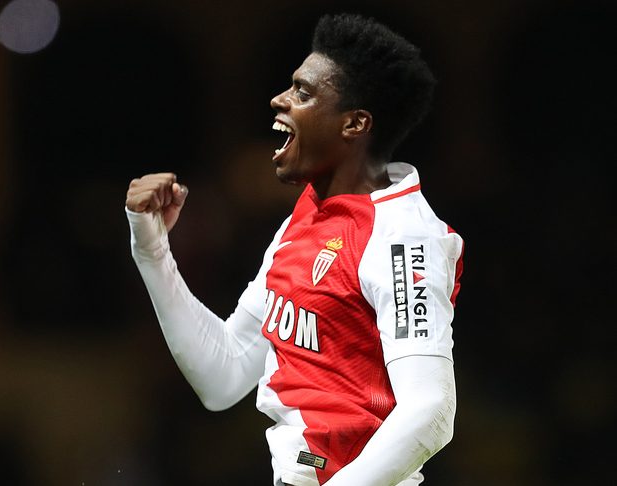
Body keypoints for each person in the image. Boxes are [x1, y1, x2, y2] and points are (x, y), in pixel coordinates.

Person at [124, 12, 464, 486]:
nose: (279, 99)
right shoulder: (305, 216)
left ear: (355, 123)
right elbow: (224, 375)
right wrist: (153, 252)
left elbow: (431, 410)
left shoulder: (403, 236)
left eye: (303, 93)